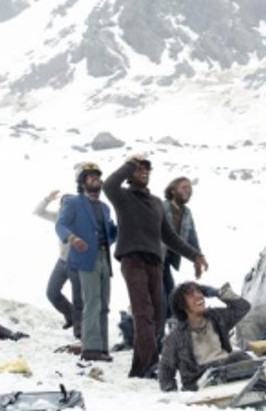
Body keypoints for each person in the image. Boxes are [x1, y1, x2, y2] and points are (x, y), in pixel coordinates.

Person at [103, 154, 207, 379]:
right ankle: (151, 364)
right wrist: (130, 163)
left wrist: (195, 255)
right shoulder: (122, 196)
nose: (144, 172)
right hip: (133, 259)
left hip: (154, 262)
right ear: (130, 175)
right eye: (139, 169)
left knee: (158, 316)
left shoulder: (155, 203)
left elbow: (169, 236)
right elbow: (109, 184)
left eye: (147, 170)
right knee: (143, 313)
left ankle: (140, 369)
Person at [56, 162, 119, 362]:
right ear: (82, 182)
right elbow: (61, 224)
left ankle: (102, 347)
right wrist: (73, 239)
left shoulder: (105, 207)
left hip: (104, 258)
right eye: (91, 176)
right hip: (85, 259)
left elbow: (109, 234)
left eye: (97, 176)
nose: (96, 179)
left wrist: (117, 231)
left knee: (105, 304)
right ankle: (91, 348)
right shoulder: (74, 203)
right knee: (92, 301)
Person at [158, 282, 251, 392]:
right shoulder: (175, 337)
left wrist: (219, 293)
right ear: (181, 305)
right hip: (201, 381)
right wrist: (172, 394)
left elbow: (243, 307)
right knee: (237, 358)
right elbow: (166, 369)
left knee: (240, 357)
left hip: (227, 369)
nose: (199, 296)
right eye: (191, 295)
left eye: (199, 291)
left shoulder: (216, 317)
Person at [35, 189, 82, 337]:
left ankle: (80, 331)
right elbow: (38, 212)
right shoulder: (58, 218)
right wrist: (47, 199)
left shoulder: (81, 220)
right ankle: (70, 315)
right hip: (61, 261)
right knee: (52, 293)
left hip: (77, 263)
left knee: (78, 298)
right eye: (62, 204)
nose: (64, 207)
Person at [160, 176, 200, 335]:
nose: (188, 190)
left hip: (168, 261)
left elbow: (192, 237)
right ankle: (157, 337)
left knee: (171, 296)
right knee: (161, 297)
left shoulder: (187, 213)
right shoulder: (161, 207)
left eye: (190, 188)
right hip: (155, 257)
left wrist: (197, 258)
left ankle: (169, 333)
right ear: (172, 190)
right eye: (184, 187)